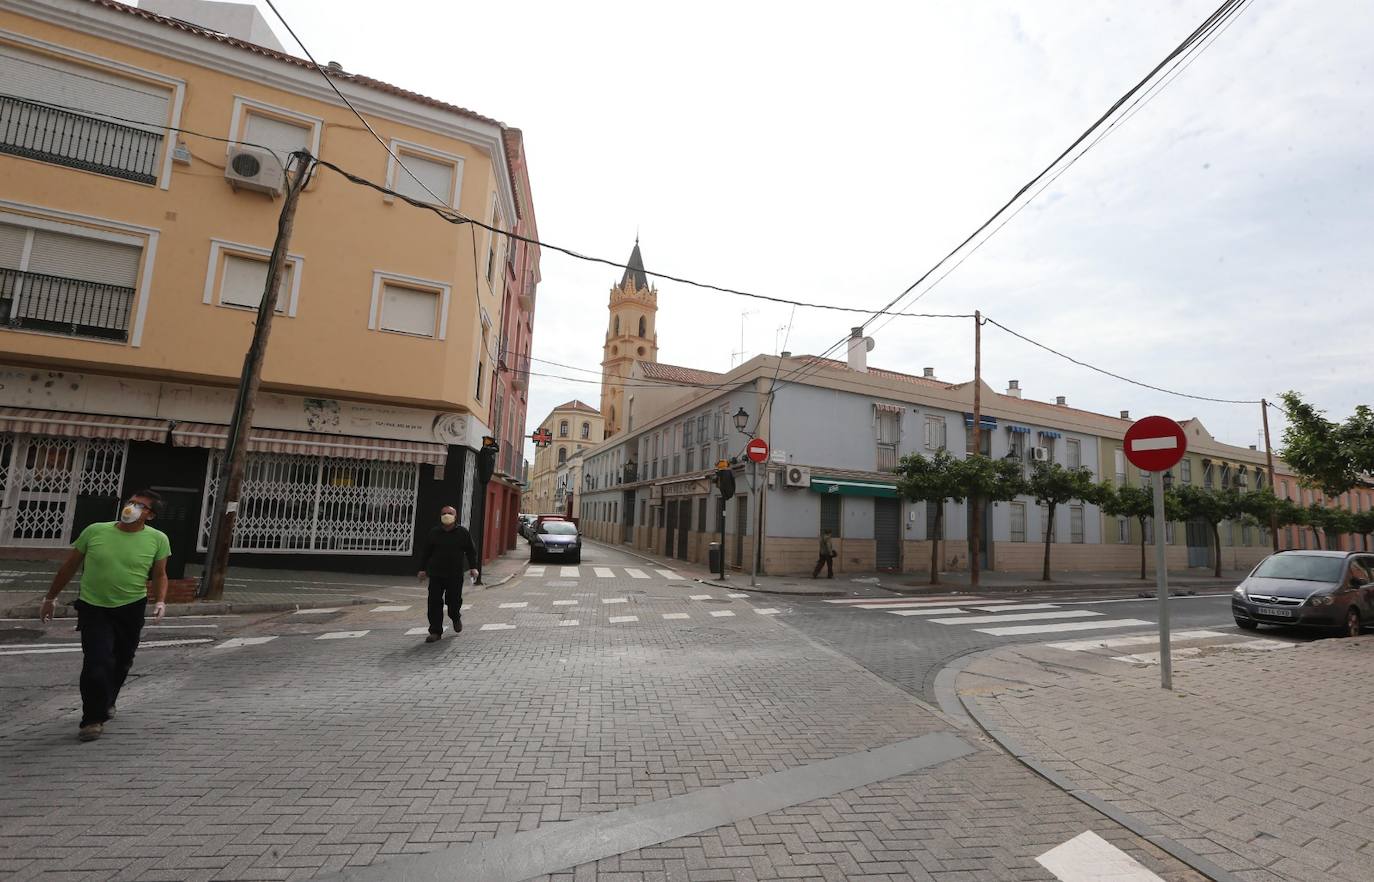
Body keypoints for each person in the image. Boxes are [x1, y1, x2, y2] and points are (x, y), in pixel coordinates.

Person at [40, 490, 171, 742]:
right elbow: (70, 565)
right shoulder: (95, 530)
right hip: (93, 606)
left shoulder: (158, 539)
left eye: (140, 506)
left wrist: (161, 600)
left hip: (131, 607)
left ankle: (108, 700)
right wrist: (50, 597)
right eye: (131, 502)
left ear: (150, 515)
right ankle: (92, 719)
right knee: (96, 662)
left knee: (121, 660)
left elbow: (160, 573)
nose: (132, 508)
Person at [417, 505, 478, 643]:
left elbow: (470, 551)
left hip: (455, 575)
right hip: (436, 574)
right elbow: (426, 552)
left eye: (449, 513)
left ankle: (455, 617)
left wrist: (473, 568)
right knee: (434, 602)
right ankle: (435, 631)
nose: (446, 515)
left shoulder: (462, 533)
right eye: (444, 513)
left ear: (455, 516)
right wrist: (422, 569)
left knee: (454, 602)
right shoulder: (434, 532)